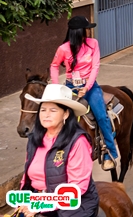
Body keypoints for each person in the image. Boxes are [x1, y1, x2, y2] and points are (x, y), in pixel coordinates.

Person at [50, 16, 118, 171]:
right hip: (70, 87)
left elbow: (95, 67)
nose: (89, 30)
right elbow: (54, 66)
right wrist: (55, 87)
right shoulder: (63, 49)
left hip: (90, 86)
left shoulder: (93, 44)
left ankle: (108, 152)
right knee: (56, 116)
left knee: (101, 115)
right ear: (79, 31)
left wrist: (86, 88)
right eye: (87, 28)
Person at [20, 84, 99, 216]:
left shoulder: (78, 141)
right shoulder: (34, 139)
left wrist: (41, 206)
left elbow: (78, 187)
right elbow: (26, 176)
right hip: (38, 199)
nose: (46, 115)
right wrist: (24, 199)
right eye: (43, 110)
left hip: (72, 204)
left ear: (66, 114)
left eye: (53, 110)